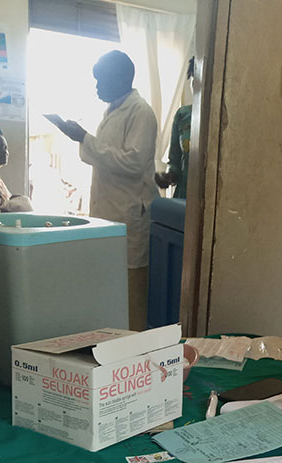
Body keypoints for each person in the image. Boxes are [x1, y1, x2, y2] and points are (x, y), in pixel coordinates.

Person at [52, 50, 158, 331]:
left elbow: (133, 162)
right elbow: (105, 155)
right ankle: (110, 346)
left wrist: (84, 137)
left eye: (101, 81)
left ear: (122, 78)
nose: (97, 87)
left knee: (131, 291)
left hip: (129, 214)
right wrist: (84, 139)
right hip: (109, 212)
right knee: (109, 285)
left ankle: (133, 356)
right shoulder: (112, 110)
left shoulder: (141, 112)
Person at [155, 57, 193, 199]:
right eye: (195, 78)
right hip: (183, 197)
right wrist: (169, 176)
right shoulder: (183, 115)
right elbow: (175, 161)